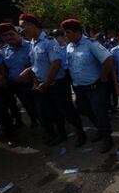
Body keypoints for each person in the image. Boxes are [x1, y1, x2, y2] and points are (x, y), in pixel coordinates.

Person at [19, 14, 86, 147]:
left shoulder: (49, 42)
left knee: (67, 110)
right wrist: (36, 82)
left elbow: (55, 64)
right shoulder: (33, 43)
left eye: (23, 26)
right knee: (53, 112)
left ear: (32, 26)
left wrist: (46, 83)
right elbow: (36, 65)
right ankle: (62, 134)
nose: (21, 30)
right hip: (44, 85)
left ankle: (81, 133)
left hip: (57, 84)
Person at [61, 18, 114, 152]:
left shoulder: (91, 44)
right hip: (79, 87)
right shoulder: (69, 46)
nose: (65, 35)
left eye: (68, 32)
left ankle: (107, 138)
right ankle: (101, 130)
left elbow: (108, 58)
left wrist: (103, 76)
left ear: (77, 32)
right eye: (65, 32)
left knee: (99, 112)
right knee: (85, 110)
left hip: (94, 86)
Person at [0, 23, 39, 129]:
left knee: (40, 106)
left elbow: (40, 64)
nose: (9, 37)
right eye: (5, 36)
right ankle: (34, 121)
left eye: (11, 34)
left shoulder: (31, 46)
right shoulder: (4, 51)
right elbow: (3, 68)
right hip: (18, 86)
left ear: (17, 33)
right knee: (27, 105)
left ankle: (50, 125)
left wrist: (28, 71)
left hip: (34, 83)